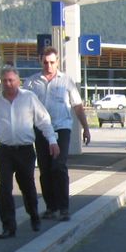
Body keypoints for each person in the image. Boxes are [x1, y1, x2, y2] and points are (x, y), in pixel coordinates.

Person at [0, 65, 59, 239]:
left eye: (11, 80)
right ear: (1, 82)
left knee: (28, 187)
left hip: (24, 151)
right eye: (5, 81)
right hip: (4, 151)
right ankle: (8, 226)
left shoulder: (29, 98)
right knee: (4, 188)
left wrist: (52, 141)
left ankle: (33, 215)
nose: (8, 84)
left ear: (18, 81)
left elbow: (43, 120)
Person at [24, 46, 91, 222]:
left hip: (61, 128)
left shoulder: (66, 81)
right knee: (45, 169)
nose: (49, 66)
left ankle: (64, 208)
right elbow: (24, 108)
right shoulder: (31, 83)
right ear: (40, 61)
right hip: (41, 130)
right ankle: (51, 207)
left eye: (52, 62)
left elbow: (77, 106)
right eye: (45, 62)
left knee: (58, 166)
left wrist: (86, 127)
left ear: (57, 62)